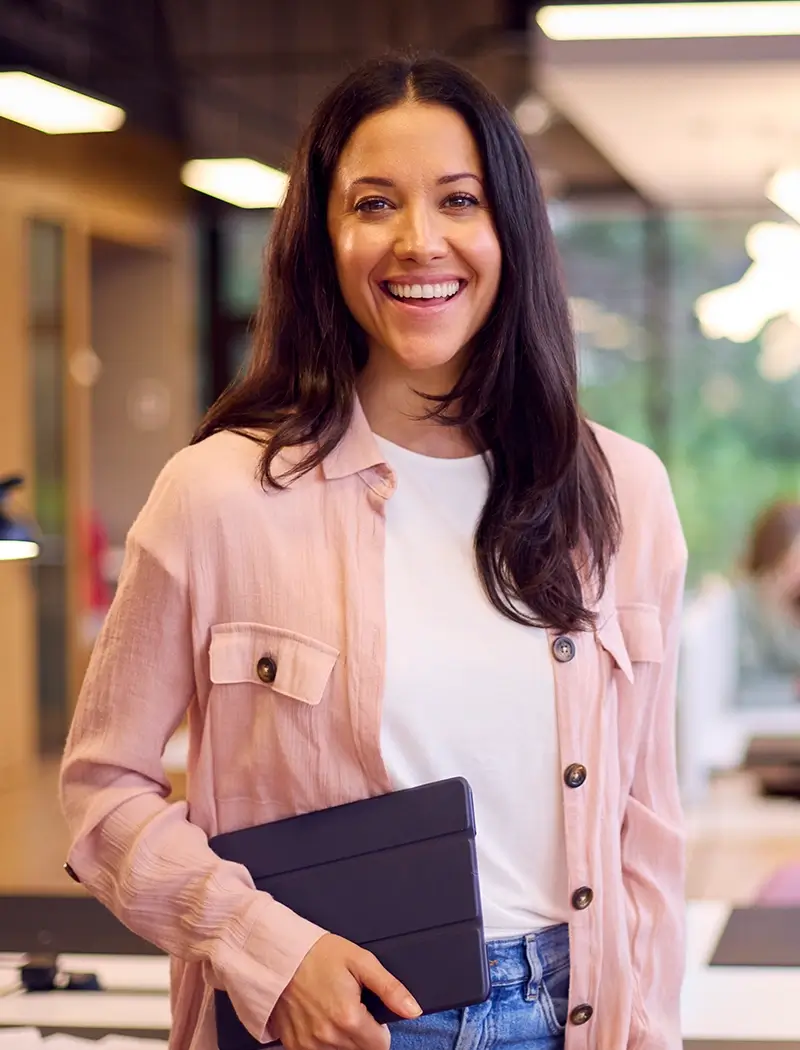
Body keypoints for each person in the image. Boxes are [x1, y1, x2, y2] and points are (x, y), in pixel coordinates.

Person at [60, 53, 687, 1050]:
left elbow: (643, 828)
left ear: (508, 230)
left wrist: (647, 1030)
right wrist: (266, 949)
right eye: (373, 204)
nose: (417, 241)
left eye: (456, 200)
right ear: (323, 238)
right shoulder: (220, 495)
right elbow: (101, 800)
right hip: (330, 1021)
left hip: (567, 1014)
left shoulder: (619, 493)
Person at [735, 500, 800, 706]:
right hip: (767, 712)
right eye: (788, 565)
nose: (796, 573)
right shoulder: (748, 602)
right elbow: (747, 685)